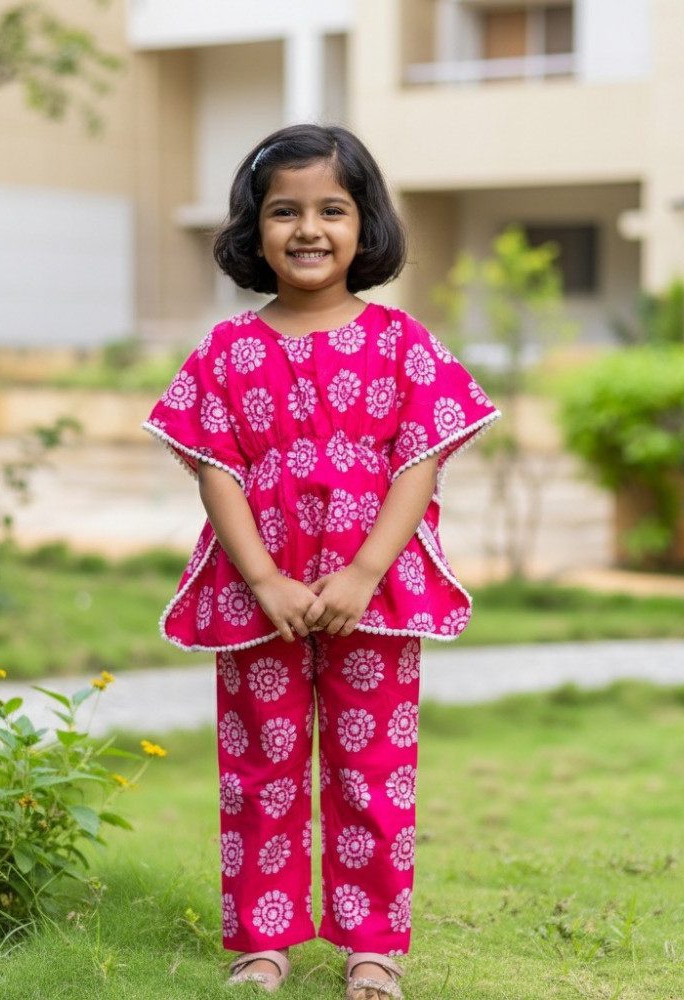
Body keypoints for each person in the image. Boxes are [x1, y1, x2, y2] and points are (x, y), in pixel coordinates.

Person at [143, 123, 500, 999]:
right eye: (285, 211)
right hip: (255, 598)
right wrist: (263, 578)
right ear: (252, 230)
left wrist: (366, 572)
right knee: (258, 769)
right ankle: (261, 944)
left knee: (373, 775)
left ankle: (373, 947)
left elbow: (420, 460)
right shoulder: (226, 352)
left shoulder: (401, 341)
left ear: (365, 224)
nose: (309, 228)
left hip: (370, 599)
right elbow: (215, 468)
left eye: (332, 209)